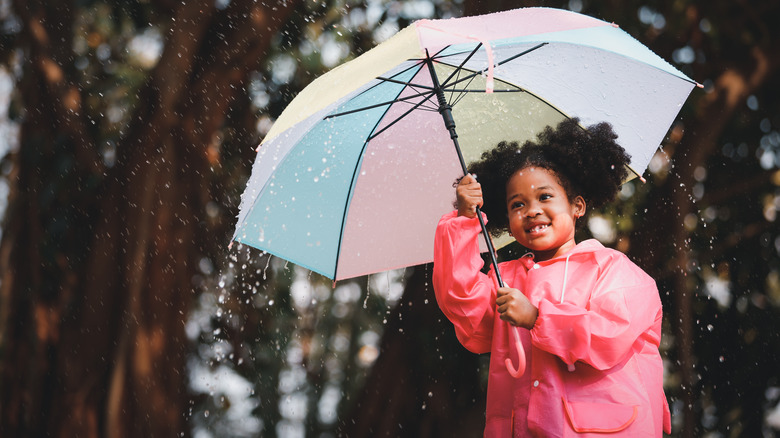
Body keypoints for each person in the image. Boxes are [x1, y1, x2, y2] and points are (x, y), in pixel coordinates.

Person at [433, 118, 671, 437]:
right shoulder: (506, 279)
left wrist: (536, 317)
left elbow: (608, 336)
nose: (531, 210)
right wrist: (464, 219)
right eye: (517, 204)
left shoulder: (615, 269)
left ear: (577, 206)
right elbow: (466, 311)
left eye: (545, 197)